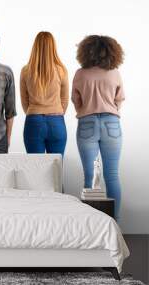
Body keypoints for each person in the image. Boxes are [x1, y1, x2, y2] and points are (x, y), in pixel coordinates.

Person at [72, 35, 125, 219]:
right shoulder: (115, 72)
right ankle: (115, 224)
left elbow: (76, 101)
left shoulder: (80, 74)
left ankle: (93, 226)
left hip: (87, 123)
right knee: (112, 175)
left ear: (86, 51)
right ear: (112, 52)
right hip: (112, 124)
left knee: (90, 178)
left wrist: (87, 109)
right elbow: (119, 99)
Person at [20, 31, 69, 156]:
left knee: (36, 170)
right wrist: (55, 110)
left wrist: (35, 112)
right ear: (53, 47)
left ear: (35, 47)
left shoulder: (26, 71)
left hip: (33, 122)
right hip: (57, 122)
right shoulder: (61, 70)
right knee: (56, 170)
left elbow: (24, 101)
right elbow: (64, 99)